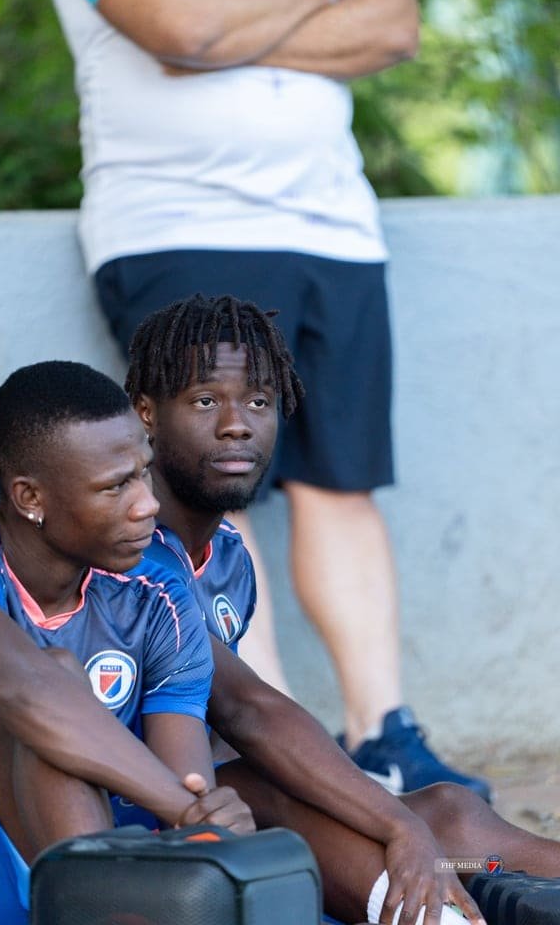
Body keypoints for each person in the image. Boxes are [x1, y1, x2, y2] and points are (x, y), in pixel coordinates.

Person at [43, 0, 491, 796]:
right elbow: (181, 29)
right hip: (178, 227)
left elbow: (394, 25)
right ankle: (275, 746)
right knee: (213, 482)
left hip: (336, 235)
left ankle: (385, 736)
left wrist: (228, 30)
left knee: (341, 484)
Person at [123, 293, 560, 925]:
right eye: (205, 401)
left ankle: (490, 878)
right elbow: (247, 709)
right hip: (150, 824)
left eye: (259, 402)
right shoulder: (129, 552)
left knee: (451, 814)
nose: (237, 424)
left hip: (236, 802)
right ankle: (450, 904)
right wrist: (398, 827)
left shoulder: (228, 556)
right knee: (323, 808)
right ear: (147, 413)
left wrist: (408, 824)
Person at [0, 360, 254, 925]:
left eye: (143, 472)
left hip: (92, 869)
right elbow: (23, 688)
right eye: (116, 485)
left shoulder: (155, 588)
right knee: (48, 696)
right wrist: (184, 806)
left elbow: (188, 783)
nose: (147, 503)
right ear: (30, 497)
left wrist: (204, 814)